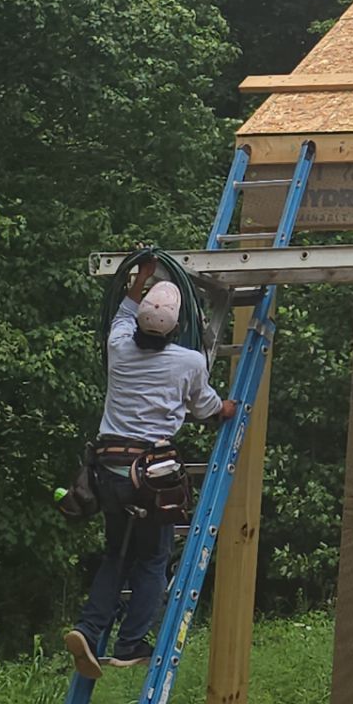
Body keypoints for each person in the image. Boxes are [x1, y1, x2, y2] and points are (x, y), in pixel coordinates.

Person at [64, 258, 235, 679]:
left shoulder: (119, 344)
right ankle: (130, 643)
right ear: (175, 327)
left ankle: (88, 628)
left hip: (107, 469)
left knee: (116, 553)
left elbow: (124, 309)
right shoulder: (190, 363)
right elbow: (207, 408)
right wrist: (227, 408)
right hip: (150, 474)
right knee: (154, 558)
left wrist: (141, 276)